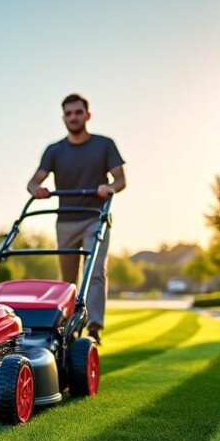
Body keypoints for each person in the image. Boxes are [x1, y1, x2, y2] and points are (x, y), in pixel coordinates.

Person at [26, 93, 126, 344]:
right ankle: (66, 328)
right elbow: (33, 181)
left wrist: (109, 187)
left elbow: (121, 179)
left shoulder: (104, 145)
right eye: (68, 114)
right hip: (65, 220)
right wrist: (37, 190)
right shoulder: (54, 150)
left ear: (87, 115)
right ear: (63, 118)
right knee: (68, 279)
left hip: (95, 217)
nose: (73, 117)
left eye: (78, 112)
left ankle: (94, 328)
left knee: (95, 271)